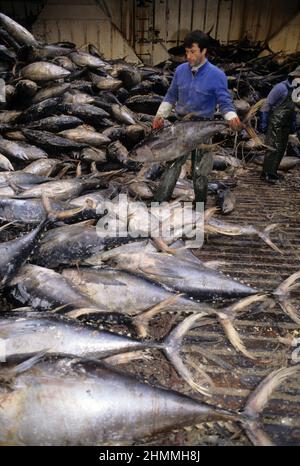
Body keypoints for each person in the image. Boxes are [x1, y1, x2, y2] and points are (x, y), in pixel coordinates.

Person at [152, 30, 242, 205]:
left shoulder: (217, 75)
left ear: (204, 51)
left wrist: (231, 116)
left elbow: (224, 101)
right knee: (172, 165)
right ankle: (160, 202)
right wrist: (160, 115)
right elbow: (171, 95)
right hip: (180, 128)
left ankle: (199, 207)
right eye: (186, 52)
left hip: (203, 128)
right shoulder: (180, 71)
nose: (188, 56)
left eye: (192, 52)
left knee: (201, 171)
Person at [260, 65, 300, 183]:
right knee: (273, 148)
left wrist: (293, 125)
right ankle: (266, 174)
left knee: (281, 148)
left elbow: (294, 109)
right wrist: (263, 122)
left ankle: (273, 172)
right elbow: (267, 104)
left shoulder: (297, 91)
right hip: (276, 122)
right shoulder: (280, 88)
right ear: (295, 75)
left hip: (286, 123)